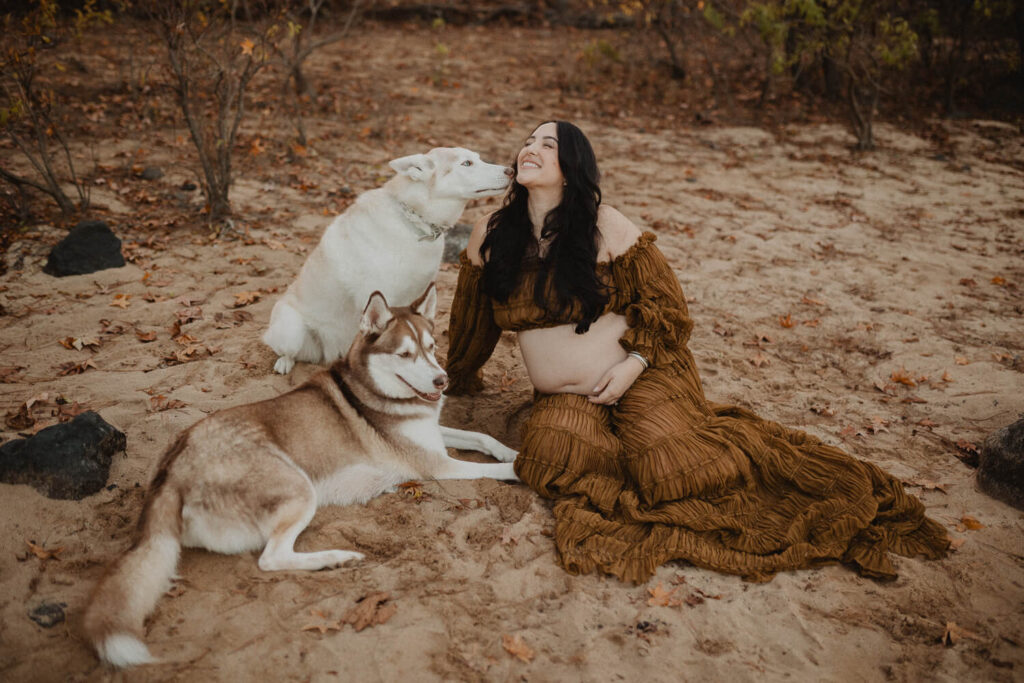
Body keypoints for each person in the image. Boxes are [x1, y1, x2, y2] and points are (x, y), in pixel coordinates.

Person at [445, 120, 949, 584]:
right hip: (567, 397)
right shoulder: (490, 235)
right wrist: (454, 376)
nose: (531, 148)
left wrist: (630, 367)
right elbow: (471, 322)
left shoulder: (608, 226)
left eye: (548, 144)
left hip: (644, 371)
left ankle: (655, 438)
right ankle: (613, 439)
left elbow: (668, 308)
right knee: (553, 453)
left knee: (672, 468)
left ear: (572, 168)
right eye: (529, 140)